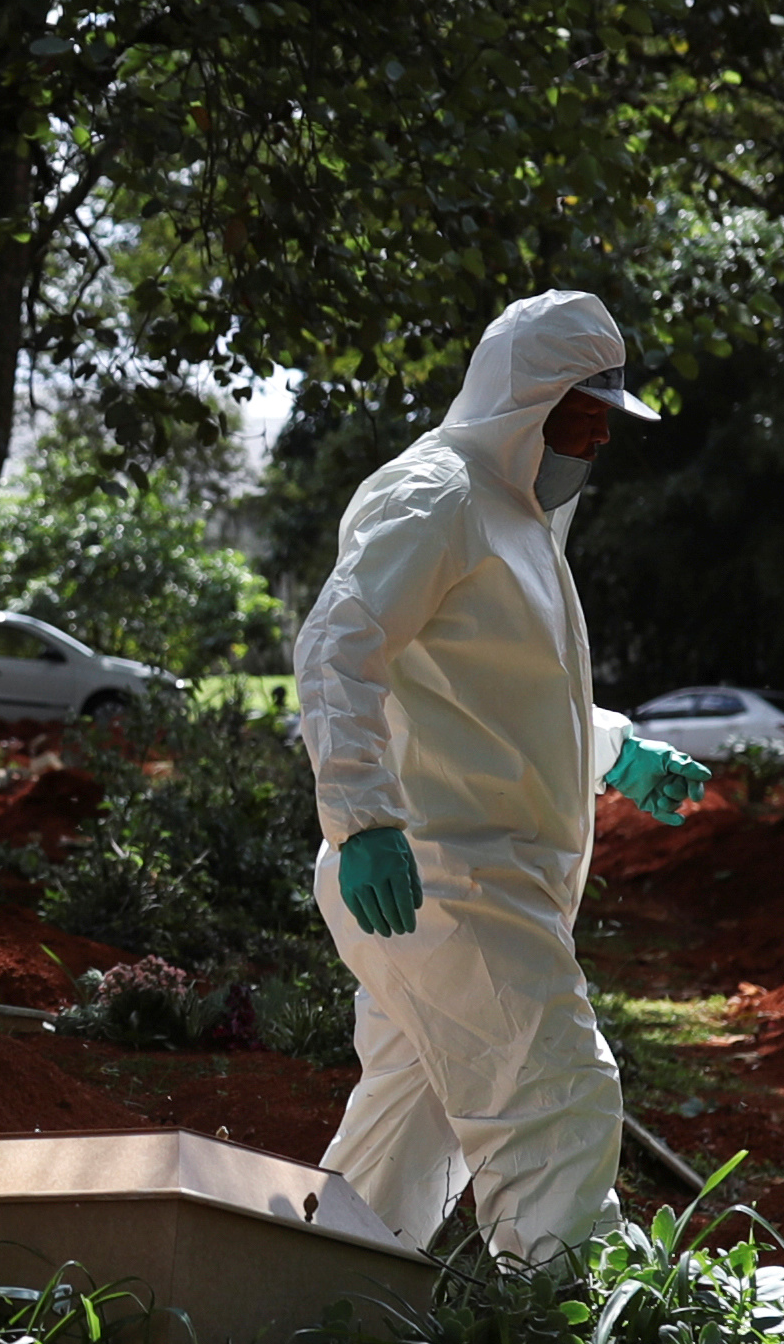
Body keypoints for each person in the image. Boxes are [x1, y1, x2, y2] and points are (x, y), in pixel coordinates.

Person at [293, 287, 709, 1262]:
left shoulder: (517, 517)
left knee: (406, 1134)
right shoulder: (437, 492)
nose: (598, 441)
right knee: (557, 1094)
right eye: (586, 415)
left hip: (475, 871)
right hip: (442, 871)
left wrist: (617, 750)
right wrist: (362, 821)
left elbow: (507, 698)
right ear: (530, 399)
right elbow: (336, 648)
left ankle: (309, 1320)